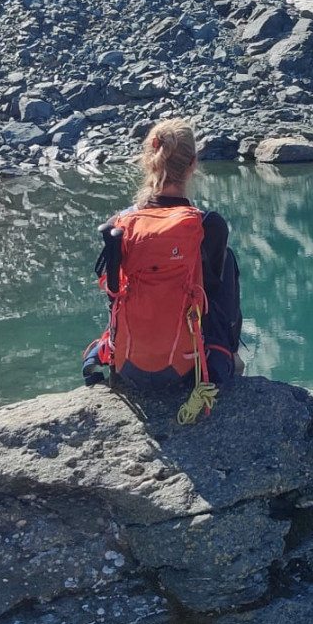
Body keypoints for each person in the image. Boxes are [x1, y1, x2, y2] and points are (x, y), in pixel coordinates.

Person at [83, 118, 242, 419]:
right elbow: (215, 301)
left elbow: (114, 296)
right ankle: (228, 358)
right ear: (193, 164)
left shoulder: (121, 223)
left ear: (148, 161)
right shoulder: (207, 225)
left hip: (128, 366)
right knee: (228, 259)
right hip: (189, 369)